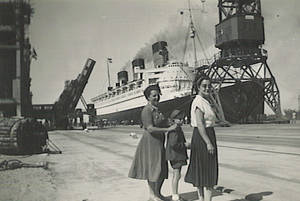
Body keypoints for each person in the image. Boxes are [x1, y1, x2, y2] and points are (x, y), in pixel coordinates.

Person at [128, 84, 178, 201]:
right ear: (148, 97)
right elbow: (150, 128)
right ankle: (152, 195)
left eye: (158, 95)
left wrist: (169, 122)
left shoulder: (157, 109)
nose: (157, 97)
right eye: (154, 96)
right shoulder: (146, 110)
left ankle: (158, 193)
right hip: (150, 142)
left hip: (159, 141)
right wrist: (168, 129)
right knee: (152, 168)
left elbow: (161, 122)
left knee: (161, 168)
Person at [184, 76, 219, 201]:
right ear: (198, 87)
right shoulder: (198, 101)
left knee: (205, 169)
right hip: (203, 137)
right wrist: (208, 143)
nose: (207, 88)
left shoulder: (205, 101)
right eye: (204, 86)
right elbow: (200, 124)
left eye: (209, 86)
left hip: (206, 135)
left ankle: (203, 199)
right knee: (206, 170)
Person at [166, 109, 190, 201]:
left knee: (177, 174)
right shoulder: (175, 129)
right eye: (179, 119)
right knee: (176, 174)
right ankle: (175, 195)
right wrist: (185, 145)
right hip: (175, 155)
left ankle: (175, 193)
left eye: (182, 118)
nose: (181, 120)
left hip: (175, 155)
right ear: (173, 120)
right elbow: (173, 144)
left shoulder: (176, 128)